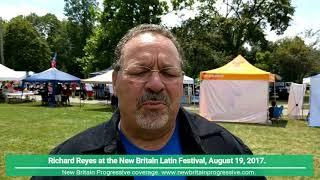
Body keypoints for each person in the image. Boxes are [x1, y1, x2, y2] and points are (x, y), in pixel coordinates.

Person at [32, 24, 265, 180]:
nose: (156, 84)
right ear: (115, 82)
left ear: (180, 82)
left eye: (169, 72)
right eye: (140, 71)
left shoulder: (228, 153)